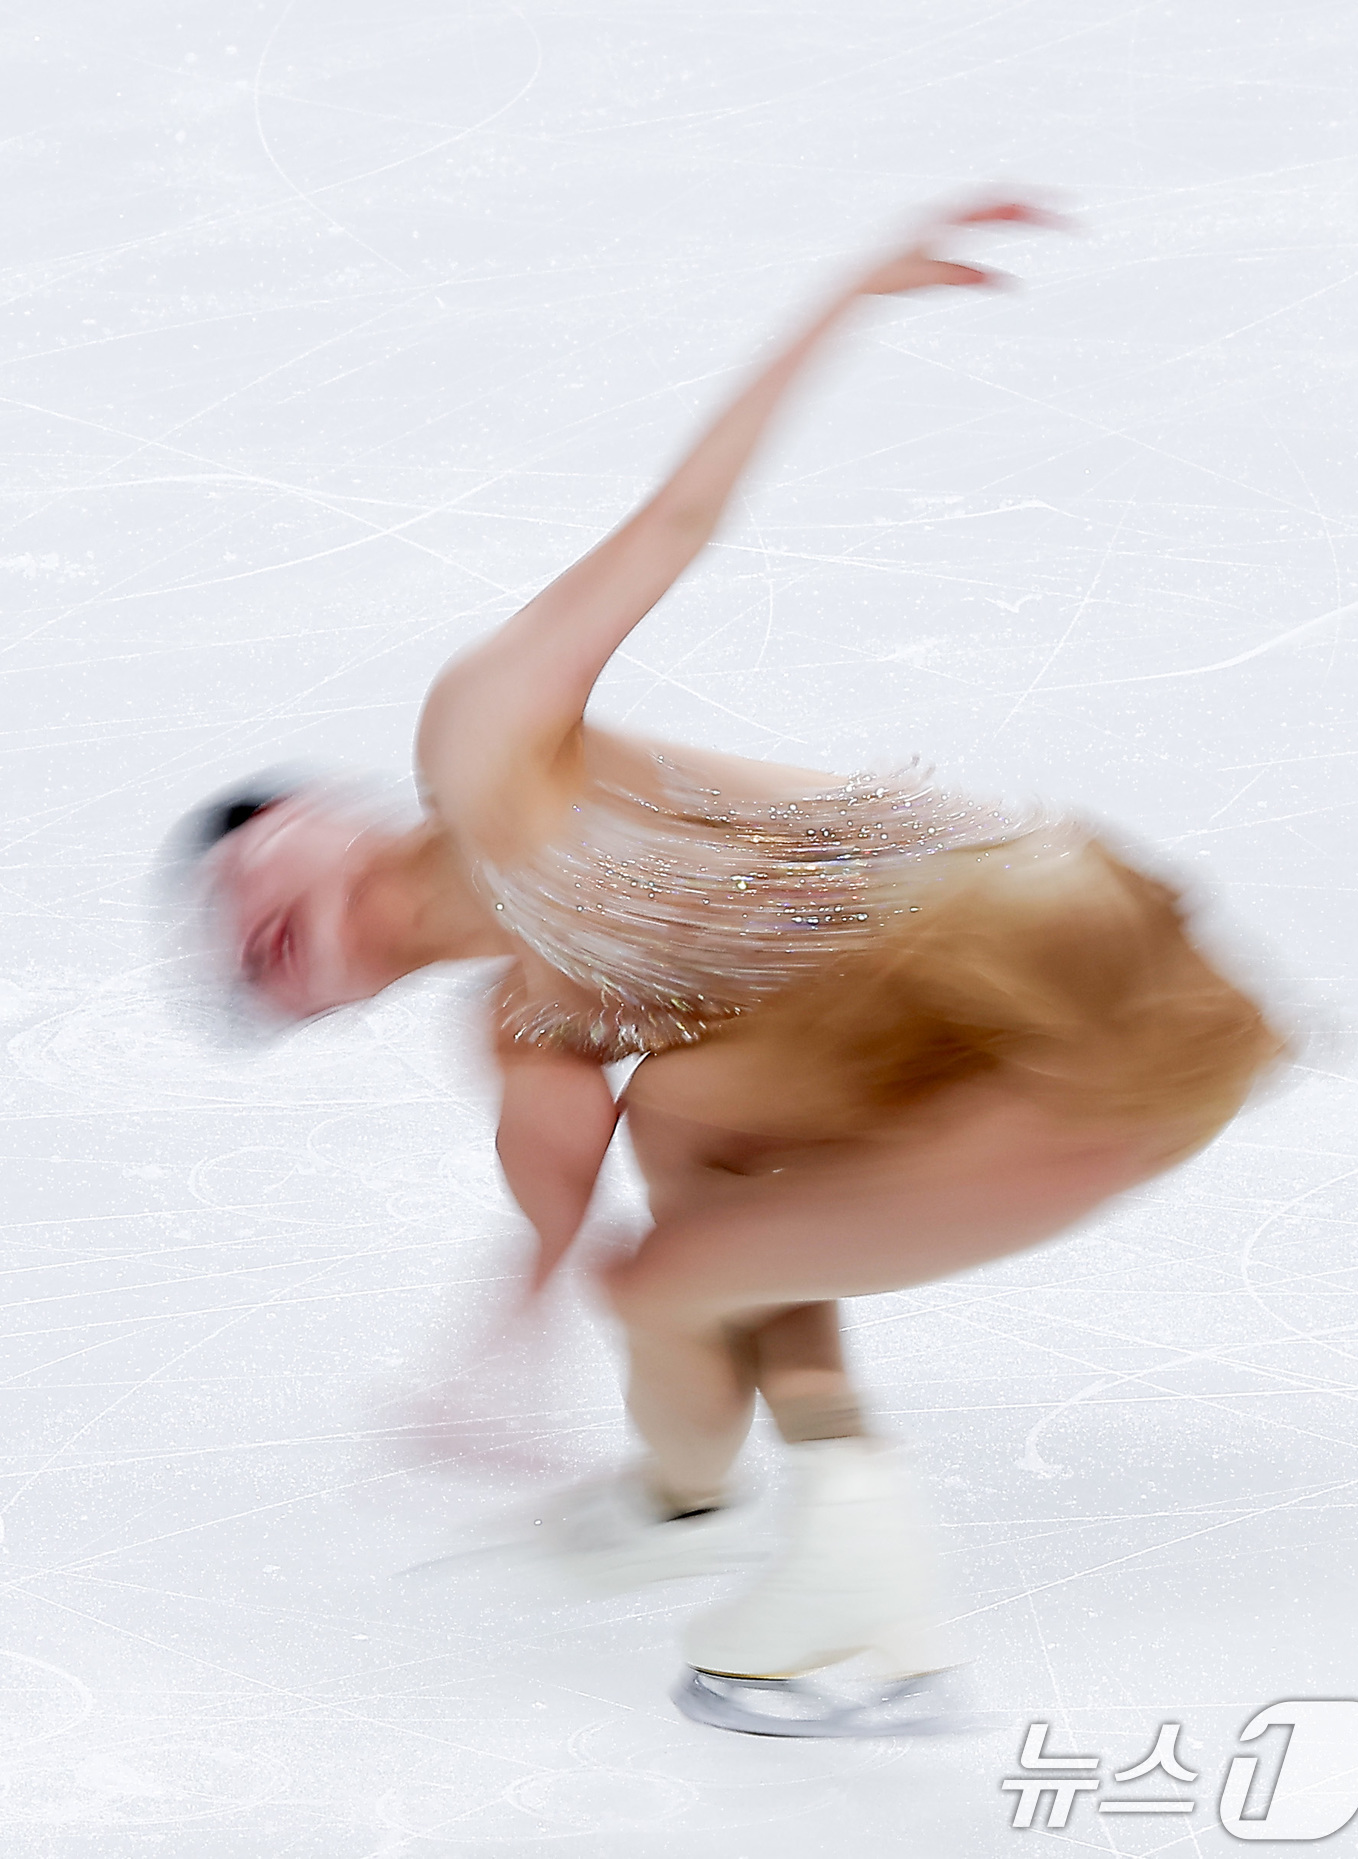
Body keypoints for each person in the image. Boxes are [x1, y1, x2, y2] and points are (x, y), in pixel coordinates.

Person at [177, 200, 1287, 1736]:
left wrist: (845, 298)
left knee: (687, 1224)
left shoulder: (480, 747)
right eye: (241, 975)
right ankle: (707, 1511)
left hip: (1051, 954)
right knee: (693, 1144)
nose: (238, 939)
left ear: (313, 815)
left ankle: (869, 1612)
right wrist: (479, 1377)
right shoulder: (535, 1025)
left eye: (233, 869)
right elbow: (564, 1251)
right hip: (968, 1054)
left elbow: (673, 529)